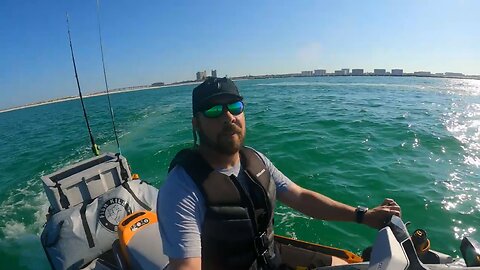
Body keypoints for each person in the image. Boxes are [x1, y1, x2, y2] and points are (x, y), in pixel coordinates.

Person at [157, 77, 401, 270]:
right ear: (196, 123)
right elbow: (186, 265)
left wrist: (363, 216)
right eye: (213, 110)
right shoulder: (182, 186)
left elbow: (299, 196)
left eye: (234, 106)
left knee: (347, 266)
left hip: (271, 256)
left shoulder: (255, 160)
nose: (228, 116)